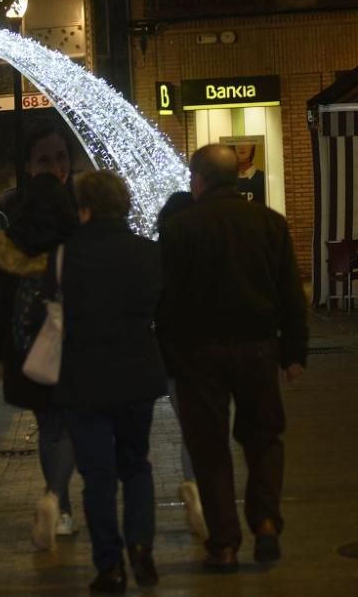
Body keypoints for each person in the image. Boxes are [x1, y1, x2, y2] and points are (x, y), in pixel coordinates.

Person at [158, 144, 307, 573]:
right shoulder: (270, 224)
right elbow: (290, 296)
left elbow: (166, 302)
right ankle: (264, 523)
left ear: (198, 180)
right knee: (263, 438)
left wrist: (168, 354)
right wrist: (293, 352)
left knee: (210, 448)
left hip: (198, 354)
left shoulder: (180, 229)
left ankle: (223, 544)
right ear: (237, 178)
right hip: (259, 347)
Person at [55, 171, 167, 592]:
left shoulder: (66, 256)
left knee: (98, 475)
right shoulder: (148, 253)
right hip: (137, 374)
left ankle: (110, 565)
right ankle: (141, 546)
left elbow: (47, 315)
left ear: (84, 207)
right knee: (136, 465)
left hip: (83, 378)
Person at [0, 173, 79, 551]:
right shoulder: (77, 244)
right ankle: (58, 500)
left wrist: (6, 354)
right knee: (67, 427)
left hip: (27, 356)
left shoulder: (9, 249)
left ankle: (63, 508)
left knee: (46, 428)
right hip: (72, 354)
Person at [155, 192, 208, 539]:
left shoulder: (157, 257)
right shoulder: (207, 255)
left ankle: (195, 488)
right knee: (203, 427)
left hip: (171, 357)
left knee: (191, 425)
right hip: (208, 354)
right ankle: (198, 489)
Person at [0, 119, 72, 215]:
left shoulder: (82, 200)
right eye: (44, 160)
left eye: (61, 156)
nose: (56, 168)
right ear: (27, 166)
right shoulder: (13, 203)